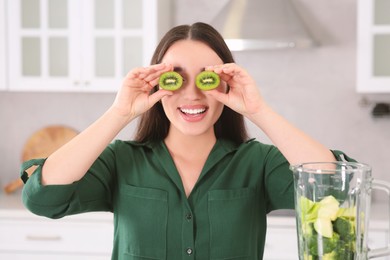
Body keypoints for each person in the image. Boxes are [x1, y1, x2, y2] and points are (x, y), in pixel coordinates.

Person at [20, 22, 354, 259]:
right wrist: (119, 113)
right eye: (176, 77)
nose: (192, 94)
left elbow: (337, 189)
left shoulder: (258, 164)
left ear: (223, 85)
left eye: (205, 78)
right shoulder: (122, 161)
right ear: (156, 84)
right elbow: (43, 198)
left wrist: (259, 110)